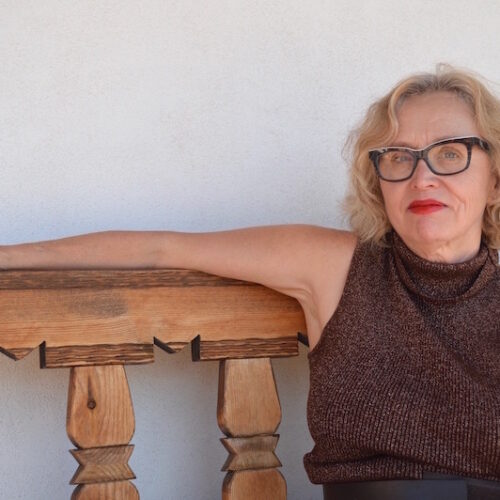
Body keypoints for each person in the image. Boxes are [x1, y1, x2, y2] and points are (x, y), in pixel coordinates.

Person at [1, 64, 499, 500]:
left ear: (494, 176)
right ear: (378, 181)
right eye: (397, 156)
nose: (422, 176)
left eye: (450, 152)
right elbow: (160, 248)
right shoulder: (338, 267)